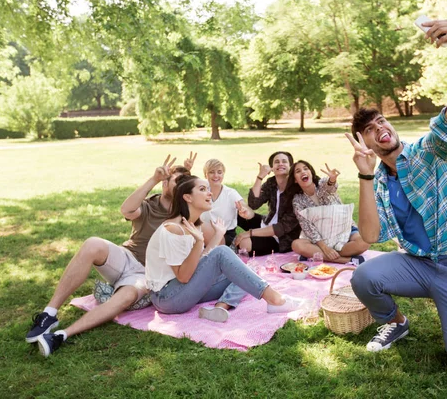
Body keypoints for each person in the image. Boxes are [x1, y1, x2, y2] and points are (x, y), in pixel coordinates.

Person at [345, 19, 447, 375]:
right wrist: (364, 174)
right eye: (369, 130)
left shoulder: (430, 152)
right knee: (363, 278)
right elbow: (370, 237)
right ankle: (396, 321)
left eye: (381, 122)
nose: (379, 128)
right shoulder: (377, 179)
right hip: (416, 264)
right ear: (365, 143)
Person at [26, 153, 196, 357]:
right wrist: (153, 179)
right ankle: (49, 314)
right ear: (164, 184)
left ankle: (61, 335)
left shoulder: (184, 214)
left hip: (145, 275)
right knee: (92, 244)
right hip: (125, 257)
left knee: (126, 297)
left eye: (184, 183)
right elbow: (126, 209)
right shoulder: (149, 206)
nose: (181, 186)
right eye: (177, 181)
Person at [145, 175, 306, 322]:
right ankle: (276, 300)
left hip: (181, 291)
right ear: (187, 197)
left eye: (208, 189)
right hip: (167, 298)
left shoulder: (193, 225)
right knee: (223, 254)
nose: (209, 193)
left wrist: (216, 236)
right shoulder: (173, 229)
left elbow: (201, 263)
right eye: (202, 189)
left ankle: (220, 308)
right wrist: (200, 243)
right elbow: (183, 277)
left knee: (245, 272)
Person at [286, 160, 370, 264]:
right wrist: (325, 248)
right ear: (295, 180)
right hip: (320, 238)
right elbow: (307, 226)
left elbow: (329, 187)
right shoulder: (297, 200)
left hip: (344, 231)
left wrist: (332, 179)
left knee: (365, 242)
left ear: (311, 173)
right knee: (297, 245)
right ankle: (346, 260)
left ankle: (314, 255)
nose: (303, 172)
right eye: (298, 171)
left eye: (305, 168)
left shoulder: (322, 184)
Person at [234, 151, 301, 256]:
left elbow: (280, 228)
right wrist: (260, 177)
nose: (280, 164)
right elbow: (253, 204)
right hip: (266, 224)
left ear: (291, 167)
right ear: (272, 168)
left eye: (284, 161)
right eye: (276, 162)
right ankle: (226, 237)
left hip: (281, 238)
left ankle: (245, 242)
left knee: (244, 244)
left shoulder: (297, 191)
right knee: (236, 212)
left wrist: (249, 233)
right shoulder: (272, 182)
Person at [200, 159, 254, 246]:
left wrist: (245, 211)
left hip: (225, 235)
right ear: (205, 174)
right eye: (211, 172)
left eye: (219, 172)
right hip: (204, 233)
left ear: (223, 174)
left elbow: (248, 210)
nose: (216, 175)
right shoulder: (200, 190)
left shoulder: (230, 193)